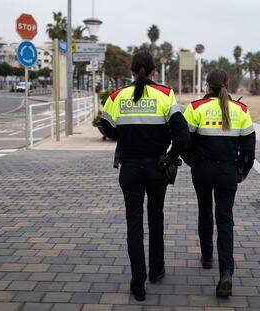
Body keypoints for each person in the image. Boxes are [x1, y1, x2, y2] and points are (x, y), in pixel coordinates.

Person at [100, 52, 189, 301]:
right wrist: (171, 156)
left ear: (131, 72)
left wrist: (126, 136)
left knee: (134, 223)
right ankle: (156, 270)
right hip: (157, 168)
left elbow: (106, 126)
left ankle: (138, 282)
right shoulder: (165, 94)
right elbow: (182, 135)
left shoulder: (117, 96)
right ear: (153, 72)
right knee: (155, 217)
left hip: (129, 168)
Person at [183, 69, 256, 297]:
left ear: (207, 86)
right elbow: (249, 146)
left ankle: (206, 257)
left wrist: (192, 161)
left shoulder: (195, 108)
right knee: (225, 220)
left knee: (204, 210)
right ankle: (226, 273)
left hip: (202, 169)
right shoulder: (241, 110)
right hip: (227, 171)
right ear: (226, 85)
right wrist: (243, 170)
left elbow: (184, 140)